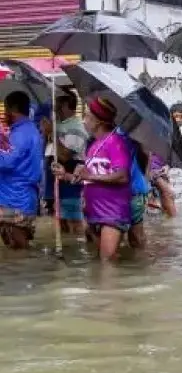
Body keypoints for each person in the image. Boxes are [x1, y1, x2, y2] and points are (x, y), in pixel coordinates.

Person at [54, 97, 132, 261]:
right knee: (103, 261)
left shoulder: (115, 143)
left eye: (87, 117)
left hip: (112, 213)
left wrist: (91, 175)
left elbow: (123, 176)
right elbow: (87, 179)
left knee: (107, 262)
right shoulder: (94, 146)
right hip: (94, 213)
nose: (84, 121)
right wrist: (65, 175)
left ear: (98, 122)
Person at [0, 91, 43, 249]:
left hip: (15, 199)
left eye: (6, 108)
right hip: (18, 197)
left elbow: (6, 162)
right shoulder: (25, 130)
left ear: (14, 109)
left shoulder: (22, 133)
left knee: (19, 248)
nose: (4, 113)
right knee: (16, 250)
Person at [51, 92, 89, 234]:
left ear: (66, 106)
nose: (55, 110)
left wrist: (53, 133)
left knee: (75, 221)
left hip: (72, 179)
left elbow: (66, 155)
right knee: (62, 221)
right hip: (59, 180)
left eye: (58, 106)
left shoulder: (76, 127)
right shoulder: (60, 125)